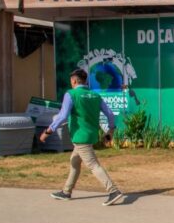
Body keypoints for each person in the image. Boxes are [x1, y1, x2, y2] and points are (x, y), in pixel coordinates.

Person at [41, 69, 125, 206]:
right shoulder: (94, 95)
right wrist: (110, 131)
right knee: (74, 161)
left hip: (80, 137)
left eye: (71, 81)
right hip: (91, 135)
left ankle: (113, 191)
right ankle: (66, 191)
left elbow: (62, 116)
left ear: (74, 81)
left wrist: (48, 131)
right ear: (85, 81)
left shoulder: (71, 94)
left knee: (93, 165)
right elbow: (110, 114)